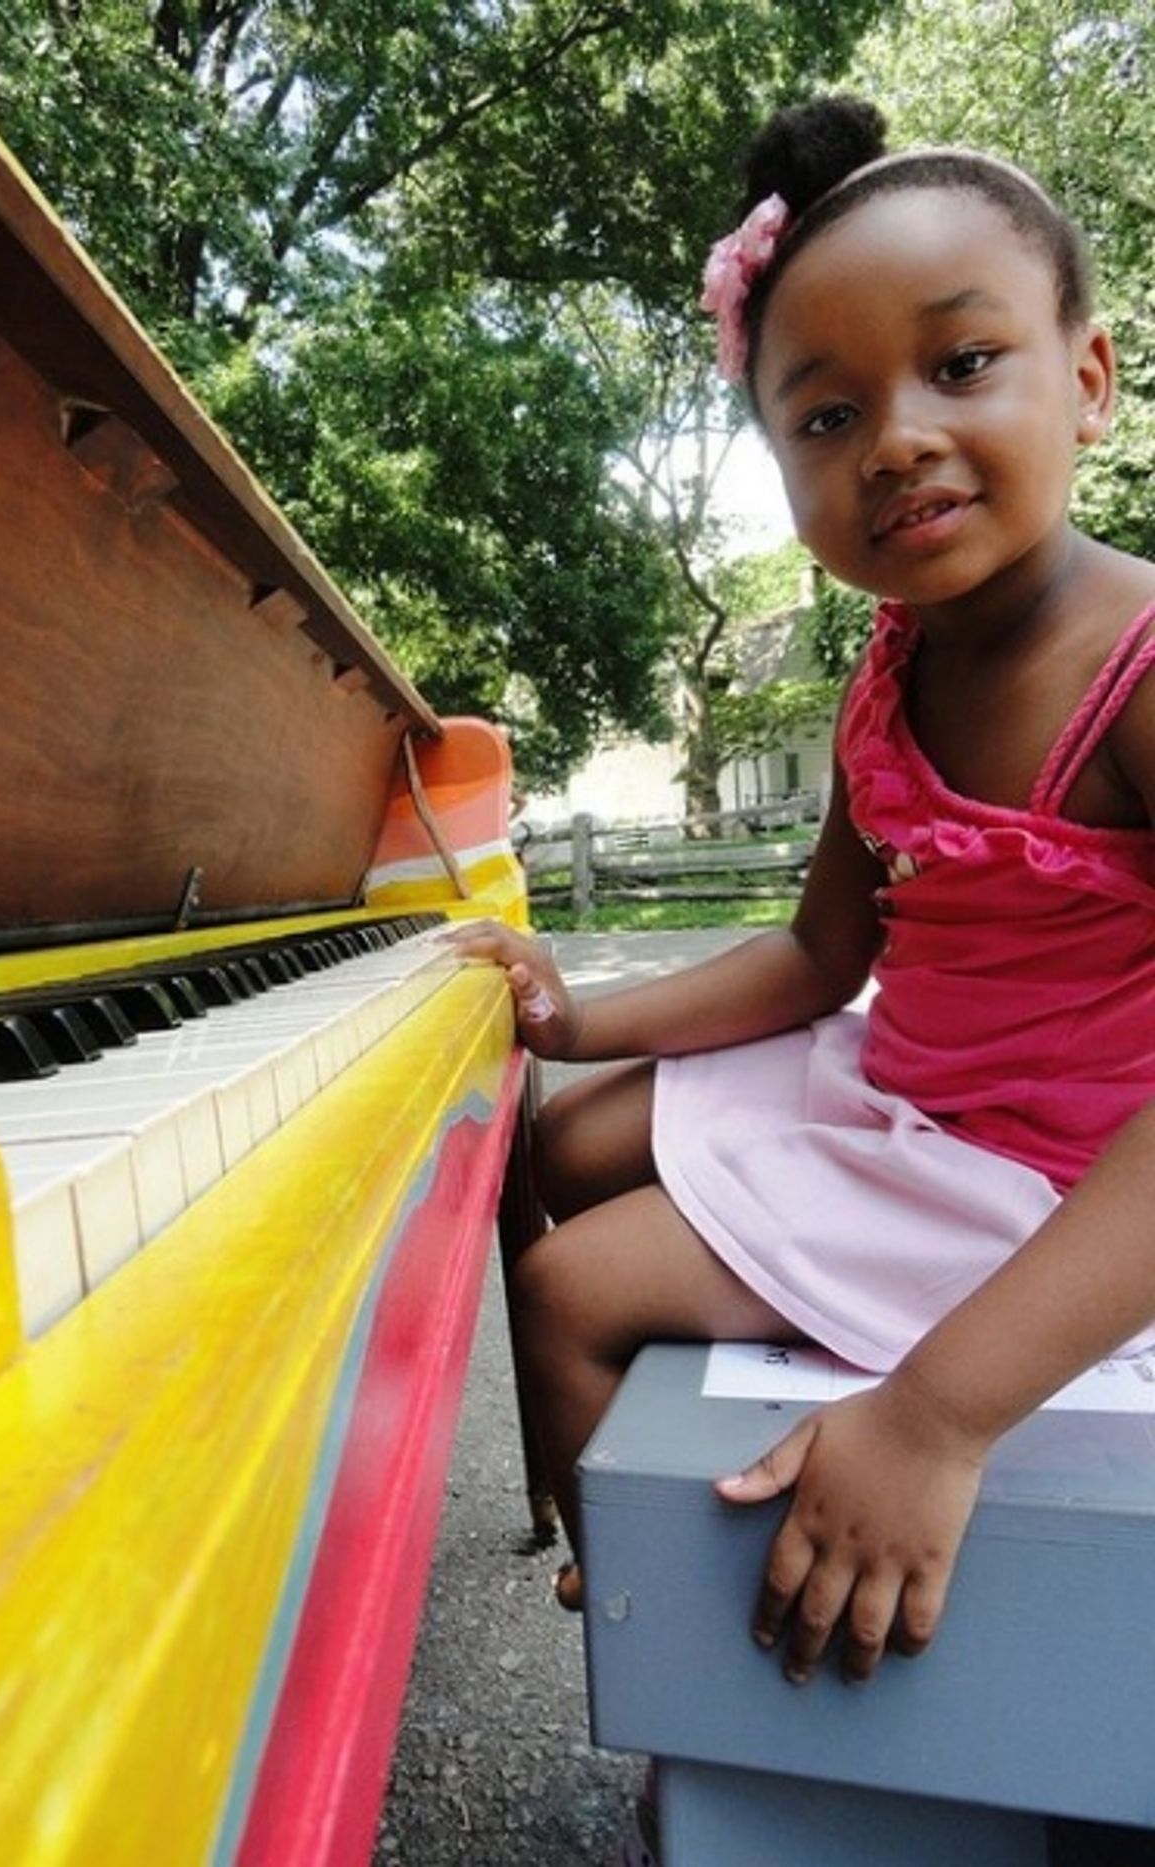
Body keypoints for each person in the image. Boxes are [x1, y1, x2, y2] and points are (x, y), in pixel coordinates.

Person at [454, 94, 1155, 1692]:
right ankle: (675, 1484)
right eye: (826, 418)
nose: (895, 439)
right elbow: (817, 955)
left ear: (1089, 379)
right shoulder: (887, 677)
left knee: (567, 1288)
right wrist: (574, 1021)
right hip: (906, 1086)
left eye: (961, 364)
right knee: (559, 1141)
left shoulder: (1136, 673)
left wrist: (936, 1415)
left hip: (1055, 1179)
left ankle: (664, 1649)